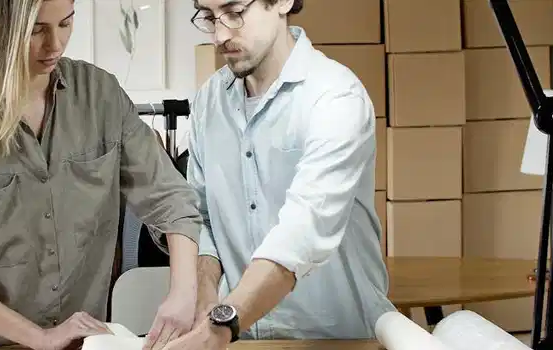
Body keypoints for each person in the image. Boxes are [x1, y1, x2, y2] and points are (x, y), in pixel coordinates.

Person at [0, 1, 201, 349]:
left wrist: (183, 294)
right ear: (0, 28)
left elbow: (172, 199)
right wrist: (41, 338)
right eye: (36, 30)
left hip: (77, 344)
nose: (56, 44)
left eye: (66, 23)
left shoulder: (101, 97)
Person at [164, 0, 397, 348]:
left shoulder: (334, 97)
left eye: (234, 12)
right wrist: (206, 296)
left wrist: (220, 324)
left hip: (336, 340)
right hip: (243, 339)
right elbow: (203, 217)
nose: (220, 35)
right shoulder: (209, 101)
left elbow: (301, 232)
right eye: (210, 17)